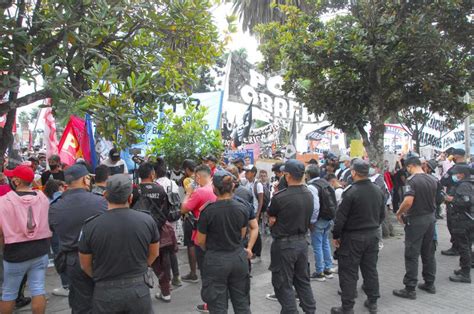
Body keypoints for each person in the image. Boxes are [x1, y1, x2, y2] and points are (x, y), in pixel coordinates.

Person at [78, 174, 160, 313]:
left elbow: (85, 265)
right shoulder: (147, 221)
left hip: (105, 291)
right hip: (138, 289)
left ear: (104, 195)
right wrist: (141, 268)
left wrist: (100, 277)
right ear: (130, 198)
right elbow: (154, 253)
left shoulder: (91, 226)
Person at [49, 164, 107, 313]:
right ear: (85, 179)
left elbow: (54, 230)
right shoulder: (100, 201)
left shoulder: (55, 206)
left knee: (80, 303)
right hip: (100, 257)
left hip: (72, 262)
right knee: (105, 300)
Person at [330, 159, 385, 314]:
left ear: (354, 172)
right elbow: (382, 215)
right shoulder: (377, 190)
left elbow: (340, 218)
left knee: (348, 272)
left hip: (353, 238)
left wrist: (336, 235)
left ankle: (347, 307)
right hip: (372, 235)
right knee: (370, 269)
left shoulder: (350, 192)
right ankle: (373, 301)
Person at [196, 170, 251, 313]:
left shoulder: (208, 211)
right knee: (242, 303)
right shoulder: (242, 208)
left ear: (214, 188)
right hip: (238, 258)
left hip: (216, 260)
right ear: (232, 187)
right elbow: (242, 234)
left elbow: (200, 240)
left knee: (218, 306)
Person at [0, 165, 52, 314]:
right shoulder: (43, 198)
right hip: (40, 250)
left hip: (15, 252)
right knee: (38, 289)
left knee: (9, 292)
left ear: (16, 181)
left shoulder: (4, 201)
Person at [267, 159, 316, 314]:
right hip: (301, 242)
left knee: (283, 283)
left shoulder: (280, 197)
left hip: (284, 245)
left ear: (287, 175)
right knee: (303, 281)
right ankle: (310, 310)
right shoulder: (308, 194)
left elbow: (271, 220)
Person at [394, 156, 438, 299]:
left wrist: (399, 212)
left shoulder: (412, 181)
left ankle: (410, 288)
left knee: (412, 253)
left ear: (410, 166)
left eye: (407, 167)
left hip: (416, 220)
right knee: (428, 252)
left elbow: (408, 201)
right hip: (430, 219)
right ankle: (430, 283)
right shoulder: (432, 179)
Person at [132, 162, 175, 302]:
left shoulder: (135, 190)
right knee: (163, 259)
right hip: (158, 229)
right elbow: (166, 212)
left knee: (141, 261)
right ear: (152, 174)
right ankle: (166, 290)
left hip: (139, 232)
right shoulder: (160, 189)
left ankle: (140, 294)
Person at [181, 165, 217, 313]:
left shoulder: (199, 192)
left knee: (206, 272)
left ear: (198, 177)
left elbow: (183, 209)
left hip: (201, 236)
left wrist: (188, 193)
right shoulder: (217, 188)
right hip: (217, 236)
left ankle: (210, 304)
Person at [153, 158, 182, 288]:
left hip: (161, 221)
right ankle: (177, 277)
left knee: (164, 251)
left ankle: (167, 281)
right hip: (173, 219)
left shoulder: (154, 185)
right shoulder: (172, 183)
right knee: (172, 249)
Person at [305, 164, 336, 282]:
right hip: (328, 218)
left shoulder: (312, 187)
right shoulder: (325, 182)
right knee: (325, 243)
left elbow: (315, 207)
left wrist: (312, 221)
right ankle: (328, 268)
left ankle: (320, 272)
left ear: (308, 174)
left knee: (317, 245)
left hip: (319, 219)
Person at [445, 165, 473, 283]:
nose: (454, 176)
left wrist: (451, 200)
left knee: (463, 247)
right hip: (468, 219)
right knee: (466, 245)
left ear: (461, 174)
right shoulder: (469, 184)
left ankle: (465, 274)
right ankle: (464, 268)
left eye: (456, 174)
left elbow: (465, 202)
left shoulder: (464, 185)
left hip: (463, 220)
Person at [440, 148, 470, 256]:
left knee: (453, 224)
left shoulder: (454, 169)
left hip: (453, 199)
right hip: (467, 201)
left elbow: (443, 181)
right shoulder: (470, 168)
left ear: (455, 157)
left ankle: (456, 247)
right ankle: (463, 248)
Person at [43, 179, 69, 297]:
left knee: (60, 257)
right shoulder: (64, 198)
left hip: (54, 232)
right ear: (59, 188)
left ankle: (66, 285)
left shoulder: (45, 201)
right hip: (67, 229)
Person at [244, 165, 264, 264]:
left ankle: (258, 254)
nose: (246, 173)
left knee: (256, 232)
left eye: (248, 172)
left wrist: (258, 214)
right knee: (251, 232)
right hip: (249, 212)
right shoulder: (247, 183)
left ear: (253, 173)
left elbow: (261, 200)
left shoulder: (258, 184)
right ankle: (252, 252)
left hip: (255, 212)